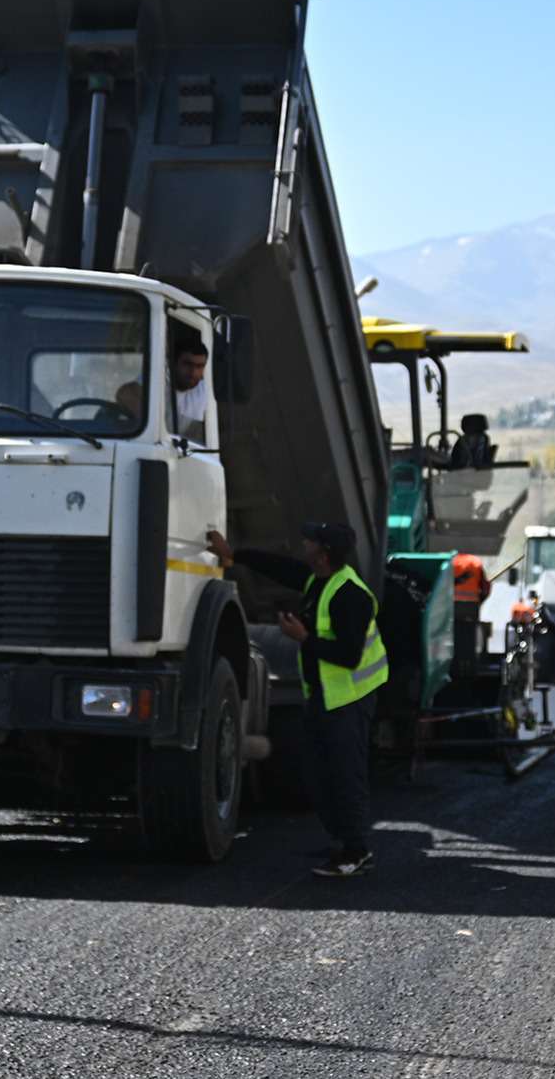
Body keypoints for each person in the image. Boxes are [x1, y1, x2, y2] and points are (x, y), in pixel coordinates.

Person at [207, 520, 386, 878]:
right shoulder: (319, 580)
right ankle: (342, 841)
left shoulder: (350, 595)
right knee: (319, 775)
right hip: (325, 696)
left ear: (324, 553)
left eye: (311, 541)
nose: (304, 543)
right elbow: (279, 567)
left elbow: (349, 656)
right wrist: (234, 555)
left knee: (345, 776)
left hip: (349, 699)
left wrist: (302, 637)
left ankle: (356, 851)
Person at [169, 330, 209, 441]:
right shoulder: (161, 380)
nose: (193, 372)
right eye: (187, 364)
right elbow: (126, 393)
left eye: (199, 366)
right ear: (173, 363)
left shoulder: (205, 390)